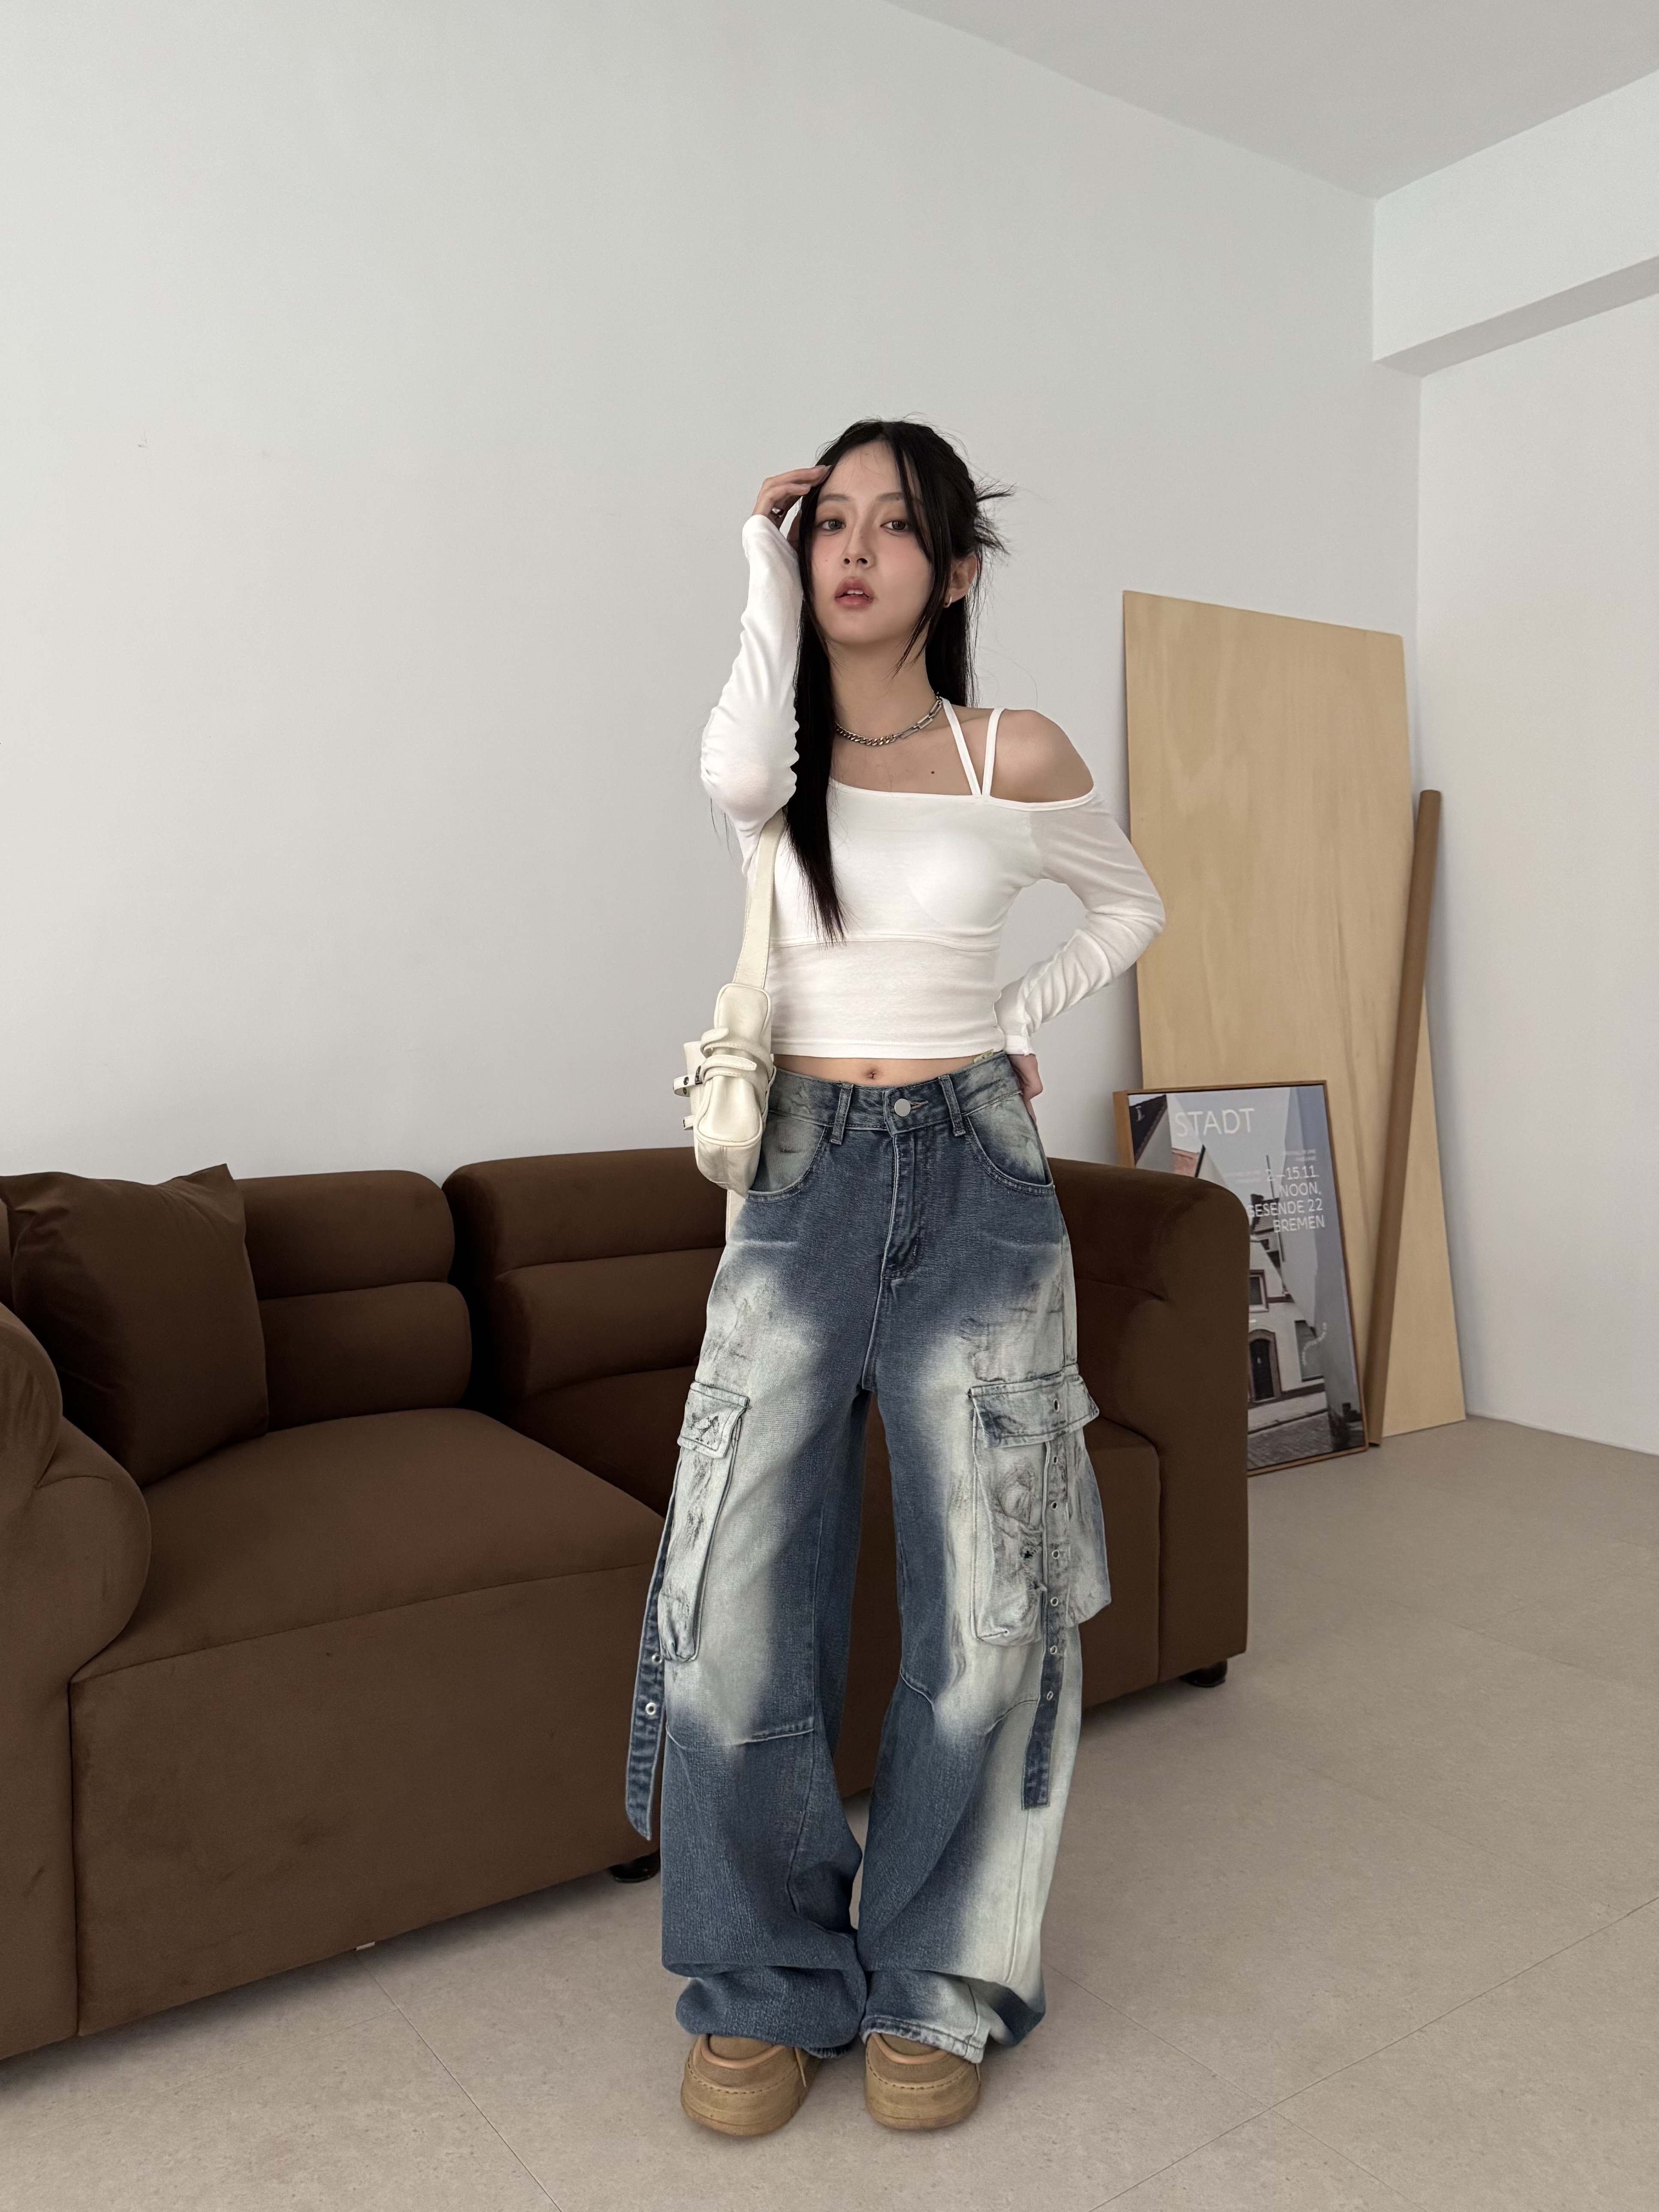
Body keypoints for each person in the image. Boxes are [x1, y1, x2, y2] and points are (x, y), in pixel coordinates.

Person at [626, 418, 1166, 2138]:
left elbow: (1128, 908)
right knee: (728, 1614)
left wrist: (1010, 1018)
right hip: (797, 1178)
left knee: (989, 1612)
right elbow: (732, 767)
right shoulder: (771, 757)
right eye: (829, 524)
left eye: (893, 525)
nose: (852, 551)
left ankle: (935, 1976)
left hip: (976, 1182)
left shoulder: (1016, 751)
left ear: (956, 570)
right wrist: (754, 553)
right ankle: (763, 1981)